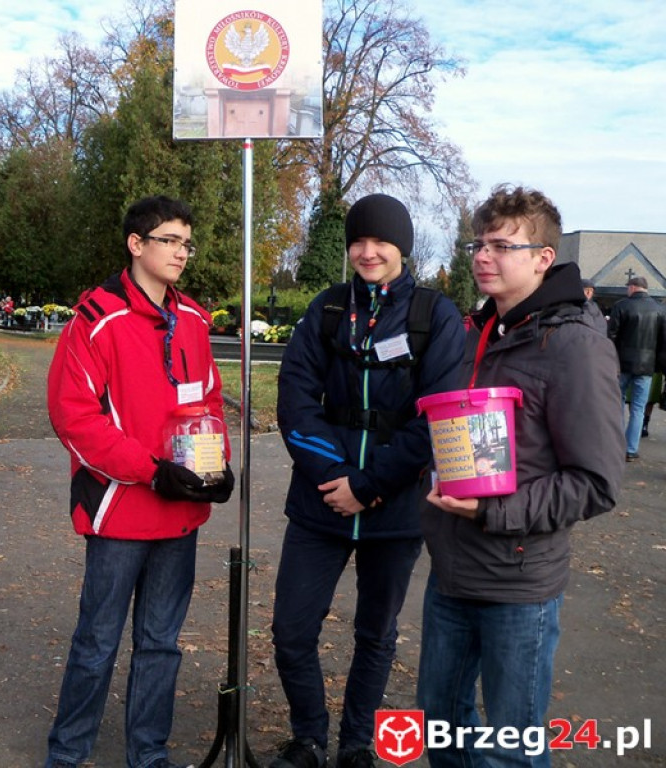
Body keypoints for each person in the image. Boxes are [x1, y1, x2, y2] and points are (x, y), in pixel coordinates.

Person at [417, 185, 624, 768]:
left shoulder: (574, 345)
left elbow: (598, 481)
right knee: (442, 729)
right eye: (478, 244)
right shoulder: (483, 331)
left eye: (502, 245)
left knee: (511, 747)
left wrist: (491, 511)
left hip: (517, 579)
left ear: (542, 259)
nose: (484, 256)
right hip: (453, 570)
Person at [271, 194, 465, 768]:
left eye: (381, 242)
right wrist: (333, 477)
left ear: (402, 247)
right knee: (290, 632)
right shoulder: (326, 310)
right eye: (358, 241)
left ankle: (357, 742)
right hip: (320, 502)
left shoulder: (436, 316)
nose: (368, 251)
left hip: (394, 507)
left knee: (376, 635)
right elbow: (295, 398)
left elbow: (439, 416)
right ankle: (308, 736)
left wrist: (371, 484)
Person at [44, 195, 235, 768]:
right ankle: (67, 754)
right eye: (170, 240)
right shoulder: (95, 319)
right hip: (120, 508)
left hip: (179, 514)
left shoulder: (196, 321)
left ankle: (148, 754)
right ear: (136, 244)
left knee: (160, 644)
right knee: (97, 642)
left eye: (186, 242)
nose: (182, 252)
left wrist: (216, 464)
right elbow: (72, 415)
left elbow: (210, 402)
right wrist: (152, 471)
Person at [608, 275, 666, 461]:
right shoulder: (660, 309)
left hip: (621, 364)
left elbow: (611, 336)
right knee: (639, 408)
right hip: (646, 366)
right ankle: (631, 449)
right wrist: (658, 365)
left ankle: (615, 445)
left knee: (616, 404)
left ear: (632, 288)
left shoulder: (621, 306)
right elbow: (663, 342)